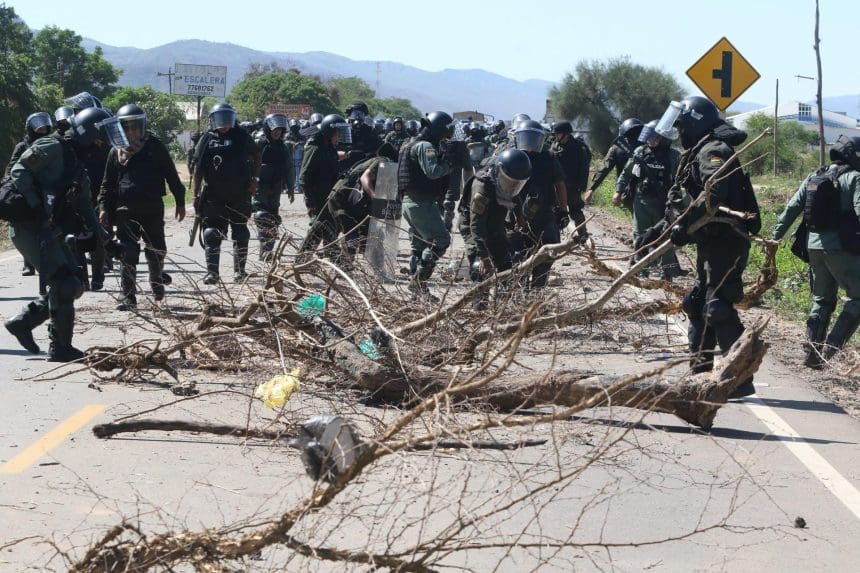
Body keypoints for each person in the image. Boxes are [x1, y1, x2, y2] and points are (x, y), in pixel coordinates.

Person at [660, 96, 759, 398]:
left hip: (727, 243)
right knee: (696, 304)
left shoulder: (713, 150)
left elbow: (713, 196)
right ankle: (699, 375)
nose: (678, 132)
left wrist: (685, 225)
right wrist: (666, 228)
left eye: (682, 126)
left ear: (695, 123)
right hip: (712, 242)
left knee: (717, 307)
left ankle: (741, 380)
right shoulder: (700, 149)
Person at [3, 107, 110, 361]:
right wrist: (37, 207)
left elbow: (84, 203)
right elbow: (19, 171)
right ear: (88, 133)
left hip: (49, 228)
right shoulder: (53, 146)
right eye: (100, 136)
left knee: (74, 281)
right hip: (28, 227)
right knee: (64, 283)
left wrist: (104, 236)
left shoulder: (78, 159)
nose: (102, 143)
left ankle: (23, 322)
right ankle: (59, 347)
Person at [772, 135, 860, 368]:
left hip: (814, 247)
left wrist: (774, 237)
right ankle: (830, 350)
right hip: (843, 248)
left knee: (822, 299)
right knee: (858, 298)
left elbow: (792, 207)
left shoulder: (815, 175)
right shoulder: (855, 178)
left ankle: (812, 354)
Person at [98, 104, 186, 310]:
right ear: (120, 129)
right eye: (126, 127)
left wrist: (181, 202)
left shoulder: (155, 146)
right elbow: (107, 183)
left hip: (152, 208)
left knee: (157, 251)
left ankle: (156, 281)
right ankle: (128, 297)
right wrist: (103, 207)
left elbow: (172, 175)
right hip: (125, 210)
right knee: (127, 252)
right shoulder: (115, 152)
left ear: (142, 127)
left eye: (135, 127)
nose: (132, 132)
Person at [190, 103, 261, 284]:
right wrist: (195, 195)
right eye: (220, 119)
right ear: (213, 120)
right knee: (212, 233)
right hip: (214, 195)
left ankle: (240, 272)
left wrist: (255, 179)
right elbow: (197, 170)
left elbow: (257, 156)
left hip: (240, 193)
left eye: (227, 118)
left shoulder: (242, 136)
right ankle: (212, 273)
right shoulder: (206, 139)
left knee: (241, 232)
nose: (224, 123)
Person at [397, 111, 457, 298]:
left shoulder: (409, 143)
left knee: (419, 245)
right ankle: (418, 282)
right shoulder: (425, 146)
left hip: (409, 202)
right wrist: (449, 163)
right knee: (442, 240)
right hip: (421, 203)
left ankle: (418, 292)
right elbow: (433, 171)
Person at [615, 120, 683, 279]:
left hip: (664, 203)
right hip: (642, 202)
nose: (651, 140)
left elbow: (680, 179)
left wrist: (677, 202)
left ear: (663, 137)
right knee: (639, 235)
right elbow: (626, 173)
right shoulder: (640, 152)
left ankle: (668, 273)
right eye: (649, 137)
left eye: (655, 137)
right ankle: (640, 270)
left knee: (665, 236)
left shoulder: (673, 156)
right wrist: (618, 191)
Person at [463, 149, 532, 309]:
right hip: (474, 225)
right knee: (480, 267)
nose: (512, 186)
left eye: (516, 183)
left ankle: (501, 309)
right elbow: (476, 226)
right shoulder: (482, 187)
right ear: (498, 172)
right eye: (510, 182)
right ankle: (479, 309)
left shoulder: (509, 182)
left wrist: (519, 216)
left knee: (505, 263)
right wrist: (484, 257)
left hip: (495, 222)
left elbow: (515, 195)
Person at [507, 119, 568, 290]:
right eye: (526, 138)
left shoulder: (549, 157)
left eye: (533, 139)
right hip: (514, 215)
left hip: (544, 215)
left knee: (547, 255)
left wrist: (563, 210)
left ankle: (535, 293)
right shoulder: (512, 157)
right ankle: (517, 295)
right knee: (517, 257)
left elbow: (560, 184)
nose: (529, 145)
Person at [5, 112, 54, 276]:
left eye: (45, 126)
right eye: (38, 127)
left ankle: (50, 261)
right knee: (25, 227)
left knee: (47, 227)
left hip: (46, 190)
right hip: (26, 191)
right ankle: (28, 263)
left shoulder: (51, 144)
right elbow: (12, 168)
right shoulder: (22, 146)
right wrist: (10, 184)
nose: (42, 130)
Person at [298, 114, 350, 259]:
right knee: (322, 226)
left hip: (328, 195)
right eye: (337, 133)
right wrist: (311, 202)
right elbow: (304, 178)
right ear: (329, 132)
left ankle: (328, 259)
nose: (339, 137)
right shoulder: (315, 147)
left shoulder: (328, 147)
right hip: (316, 196)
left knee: (328, 227)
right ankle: (304, 259)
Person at [252, 113, 295, 262]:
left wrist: (291, 187)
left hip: (276, 187)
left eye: (280, 130)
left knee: (273, 218)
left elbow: (289, 168)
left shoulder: (284, 147)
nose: (277, 132)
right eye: (274, 129)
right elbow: (249, 162)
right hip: (260, 187)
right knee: (261, 216)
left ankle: (267, 251)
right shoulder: (259, 144)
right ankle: (265, 249)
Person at [550, 121, 592, 242]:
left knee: (575, 211)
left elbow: (584, 168)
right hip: (557, 185)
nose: (556, 136)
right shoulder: (555, 146)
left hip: (572, 186)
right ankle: (555, 237)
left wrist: (582, 186)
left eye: (558, 134)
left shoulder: (579, 147)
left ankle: (583, 235)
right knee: (555, 211)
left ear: (566, 134)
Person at [588, 118, 643, 196]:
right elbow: (604, 168)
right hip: (636, 191)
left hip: (627, 191)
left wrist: (591, 188)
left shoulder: (617, 148)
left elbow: (604, 168)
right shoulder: (646, 147)